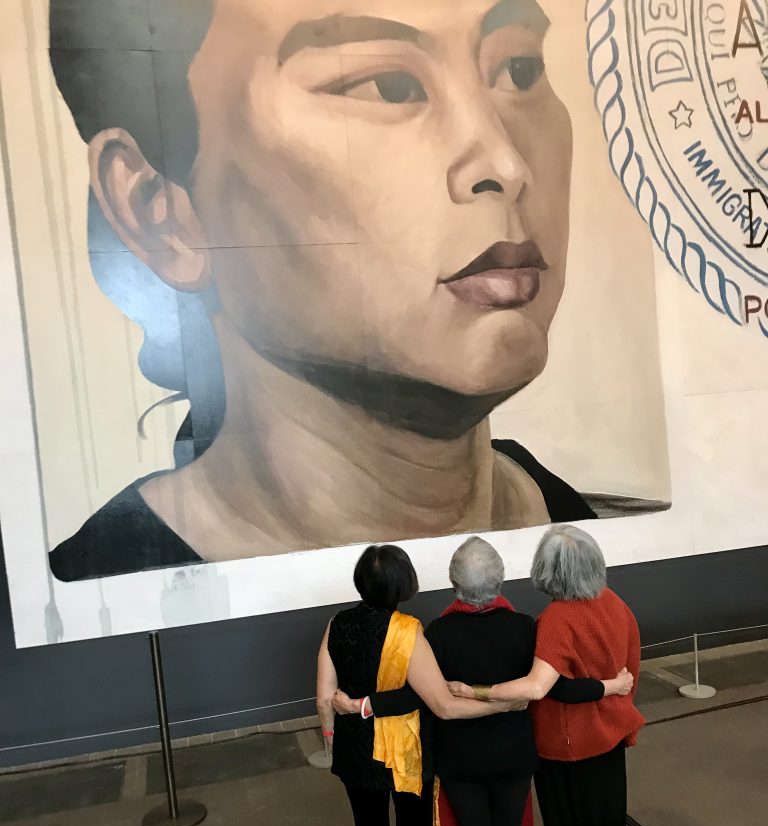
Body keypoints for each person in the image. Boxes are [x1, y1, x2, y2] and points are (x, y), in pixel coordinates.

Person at [46, 0, 669, 582]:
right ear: (162, 217)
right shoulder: (100, 581)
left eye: (518, 68)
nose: (505, 165)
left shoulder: (585, 529)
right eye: (388, 86)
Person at [337, 536, 632, 826]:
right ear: (499, 581)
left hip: (459, 759)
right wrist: (609, 687)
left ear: (455, 583)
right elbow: (552, 687)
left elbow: (425, 698)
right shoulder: (526, 627)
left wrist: (360, 705)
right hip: (514, 754)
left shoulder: (436, 633)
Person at [316, 543, 525, 826]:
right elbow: (444, 705)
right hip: (407, 754)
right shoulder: (409, 632)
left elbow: (323, 697)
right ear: (405, 585)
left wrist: (332, 739)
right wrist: (500, 705)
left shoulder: (336, 625)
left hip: (358, 755)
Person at [450, 525, 645, 826]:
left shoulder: (556, 619)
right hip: (610, 736)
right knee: (610, 822)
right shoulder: (616, 603)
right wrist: (611, 693)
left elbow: (538, 687)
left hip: (565, 745)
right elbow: (630, 669)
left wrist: (476, 691)